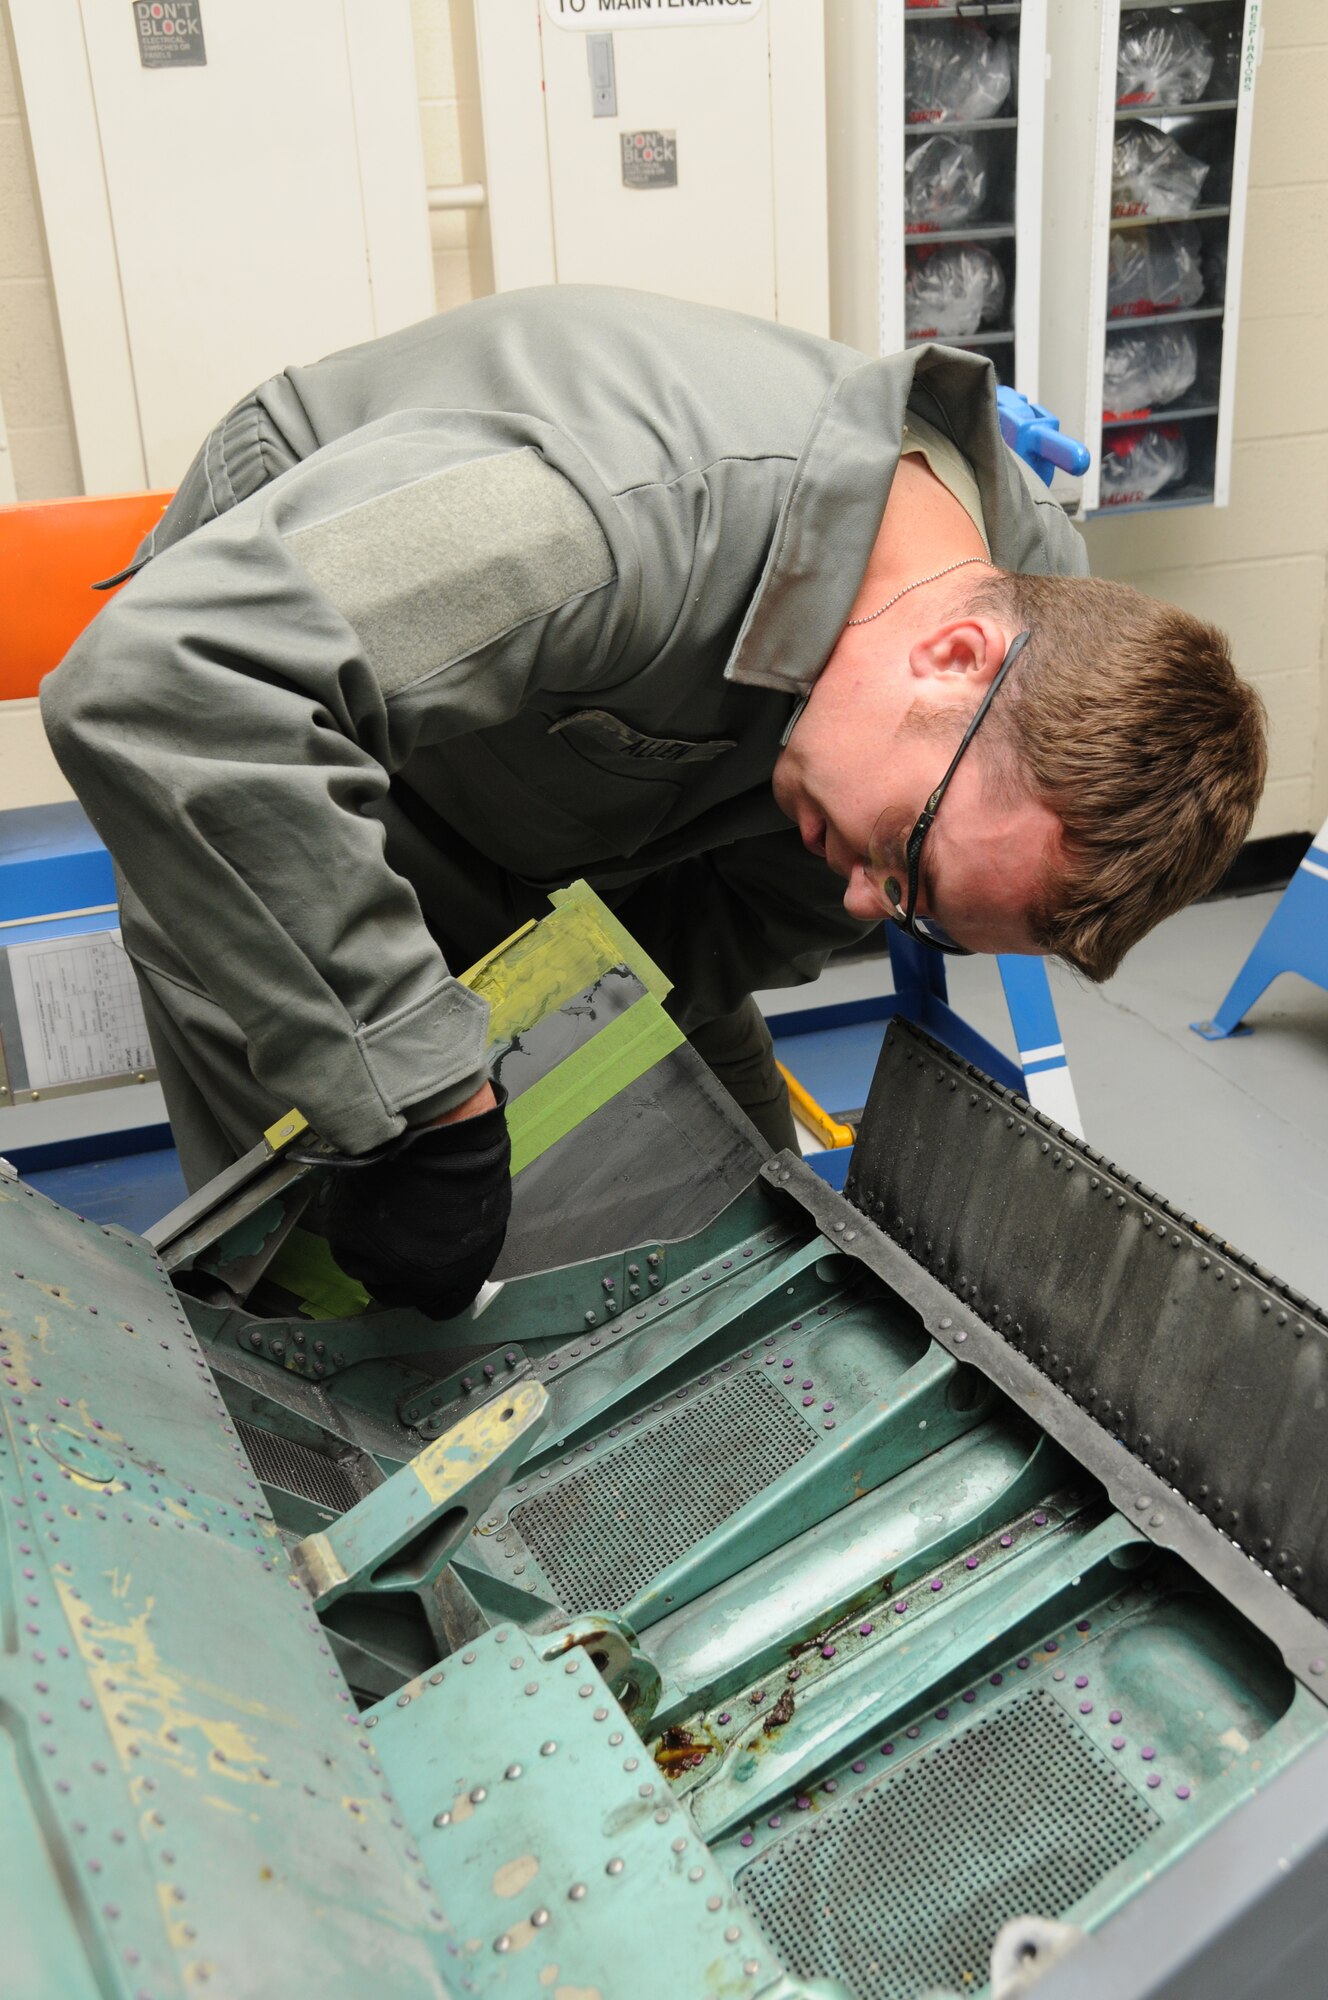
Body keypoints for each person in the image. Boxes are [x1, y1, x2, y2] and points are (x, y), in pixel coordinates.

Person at [41, 286, 1266, 1319]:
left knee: (731, 1221)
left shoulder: (1038, 626)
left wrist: (570, 1045)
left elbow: (726, 928)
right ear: (949, 656)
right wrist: (429, 1094)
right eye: (899, 856)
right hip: (300, 726)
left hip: (592, 812)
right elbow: (170, 683)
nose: (859, 898)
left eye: (910, 907)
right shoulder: (612, 520)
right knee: (344, 1226)